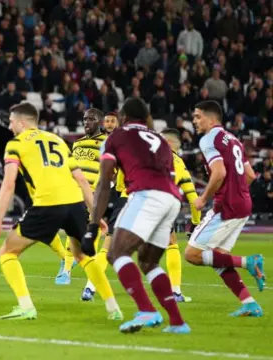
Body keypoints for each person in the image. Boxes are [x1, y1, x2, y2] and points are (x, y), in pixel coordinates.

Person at [0, 102, 122, 321]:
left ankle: (26, 307)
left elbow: (9, 183)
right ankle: (113, 307)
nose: (10, 127)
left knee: (7, 252)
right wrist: (95, 214)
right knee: (84, 255)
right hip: (75, 203)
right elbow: (80, 180)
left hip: (47, 204)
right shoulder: (58, 140)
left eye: (11, 122)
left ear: (22, 122)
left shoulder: (15, 144)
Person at [85, 97, 189, 334]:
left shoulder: (116, 137)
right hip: (171, 200)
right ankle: (177, 321)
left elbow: (103, 182)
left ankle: (147, 310)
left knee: (116, 252)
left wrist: (92, 225)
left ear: (122, 117)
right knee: (149, 262)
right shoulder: (161, 140)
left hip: (145, 195)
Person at [185, 100, 265, 317]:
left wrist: (203, 199)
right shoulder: (235, 140)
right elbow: (250, 176)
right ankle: (249, 304)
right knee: (218, 257)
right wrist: (236, 192)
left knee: (192, 254)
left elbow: (218, 173)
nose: (194, 120)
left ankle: (248, 262)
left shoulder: (208, 139)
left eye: (198, 116)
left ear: (212, 120)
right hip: (243, 203)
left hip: (227, 206)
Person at [55, 109, 108, 298]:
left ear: (100, 122)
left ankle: (88, 278)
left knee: (92, 230)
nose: (87, 122)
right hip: (75, 192)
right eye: (85, 119)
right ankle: (66, 269)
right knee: (72, 229)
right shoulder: (76, 144)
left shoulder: (106, 142)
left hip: (96, 193)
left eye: (91, 119)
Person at [160, 128, 202, 302]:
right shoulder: (178, 163)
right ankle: (175, 291)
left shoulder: (147, 156)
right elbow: (193, 198)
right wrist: (195, 223)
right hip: (161, 204)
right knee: (171, 244)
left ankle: (91, 287)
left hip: (134, 202)